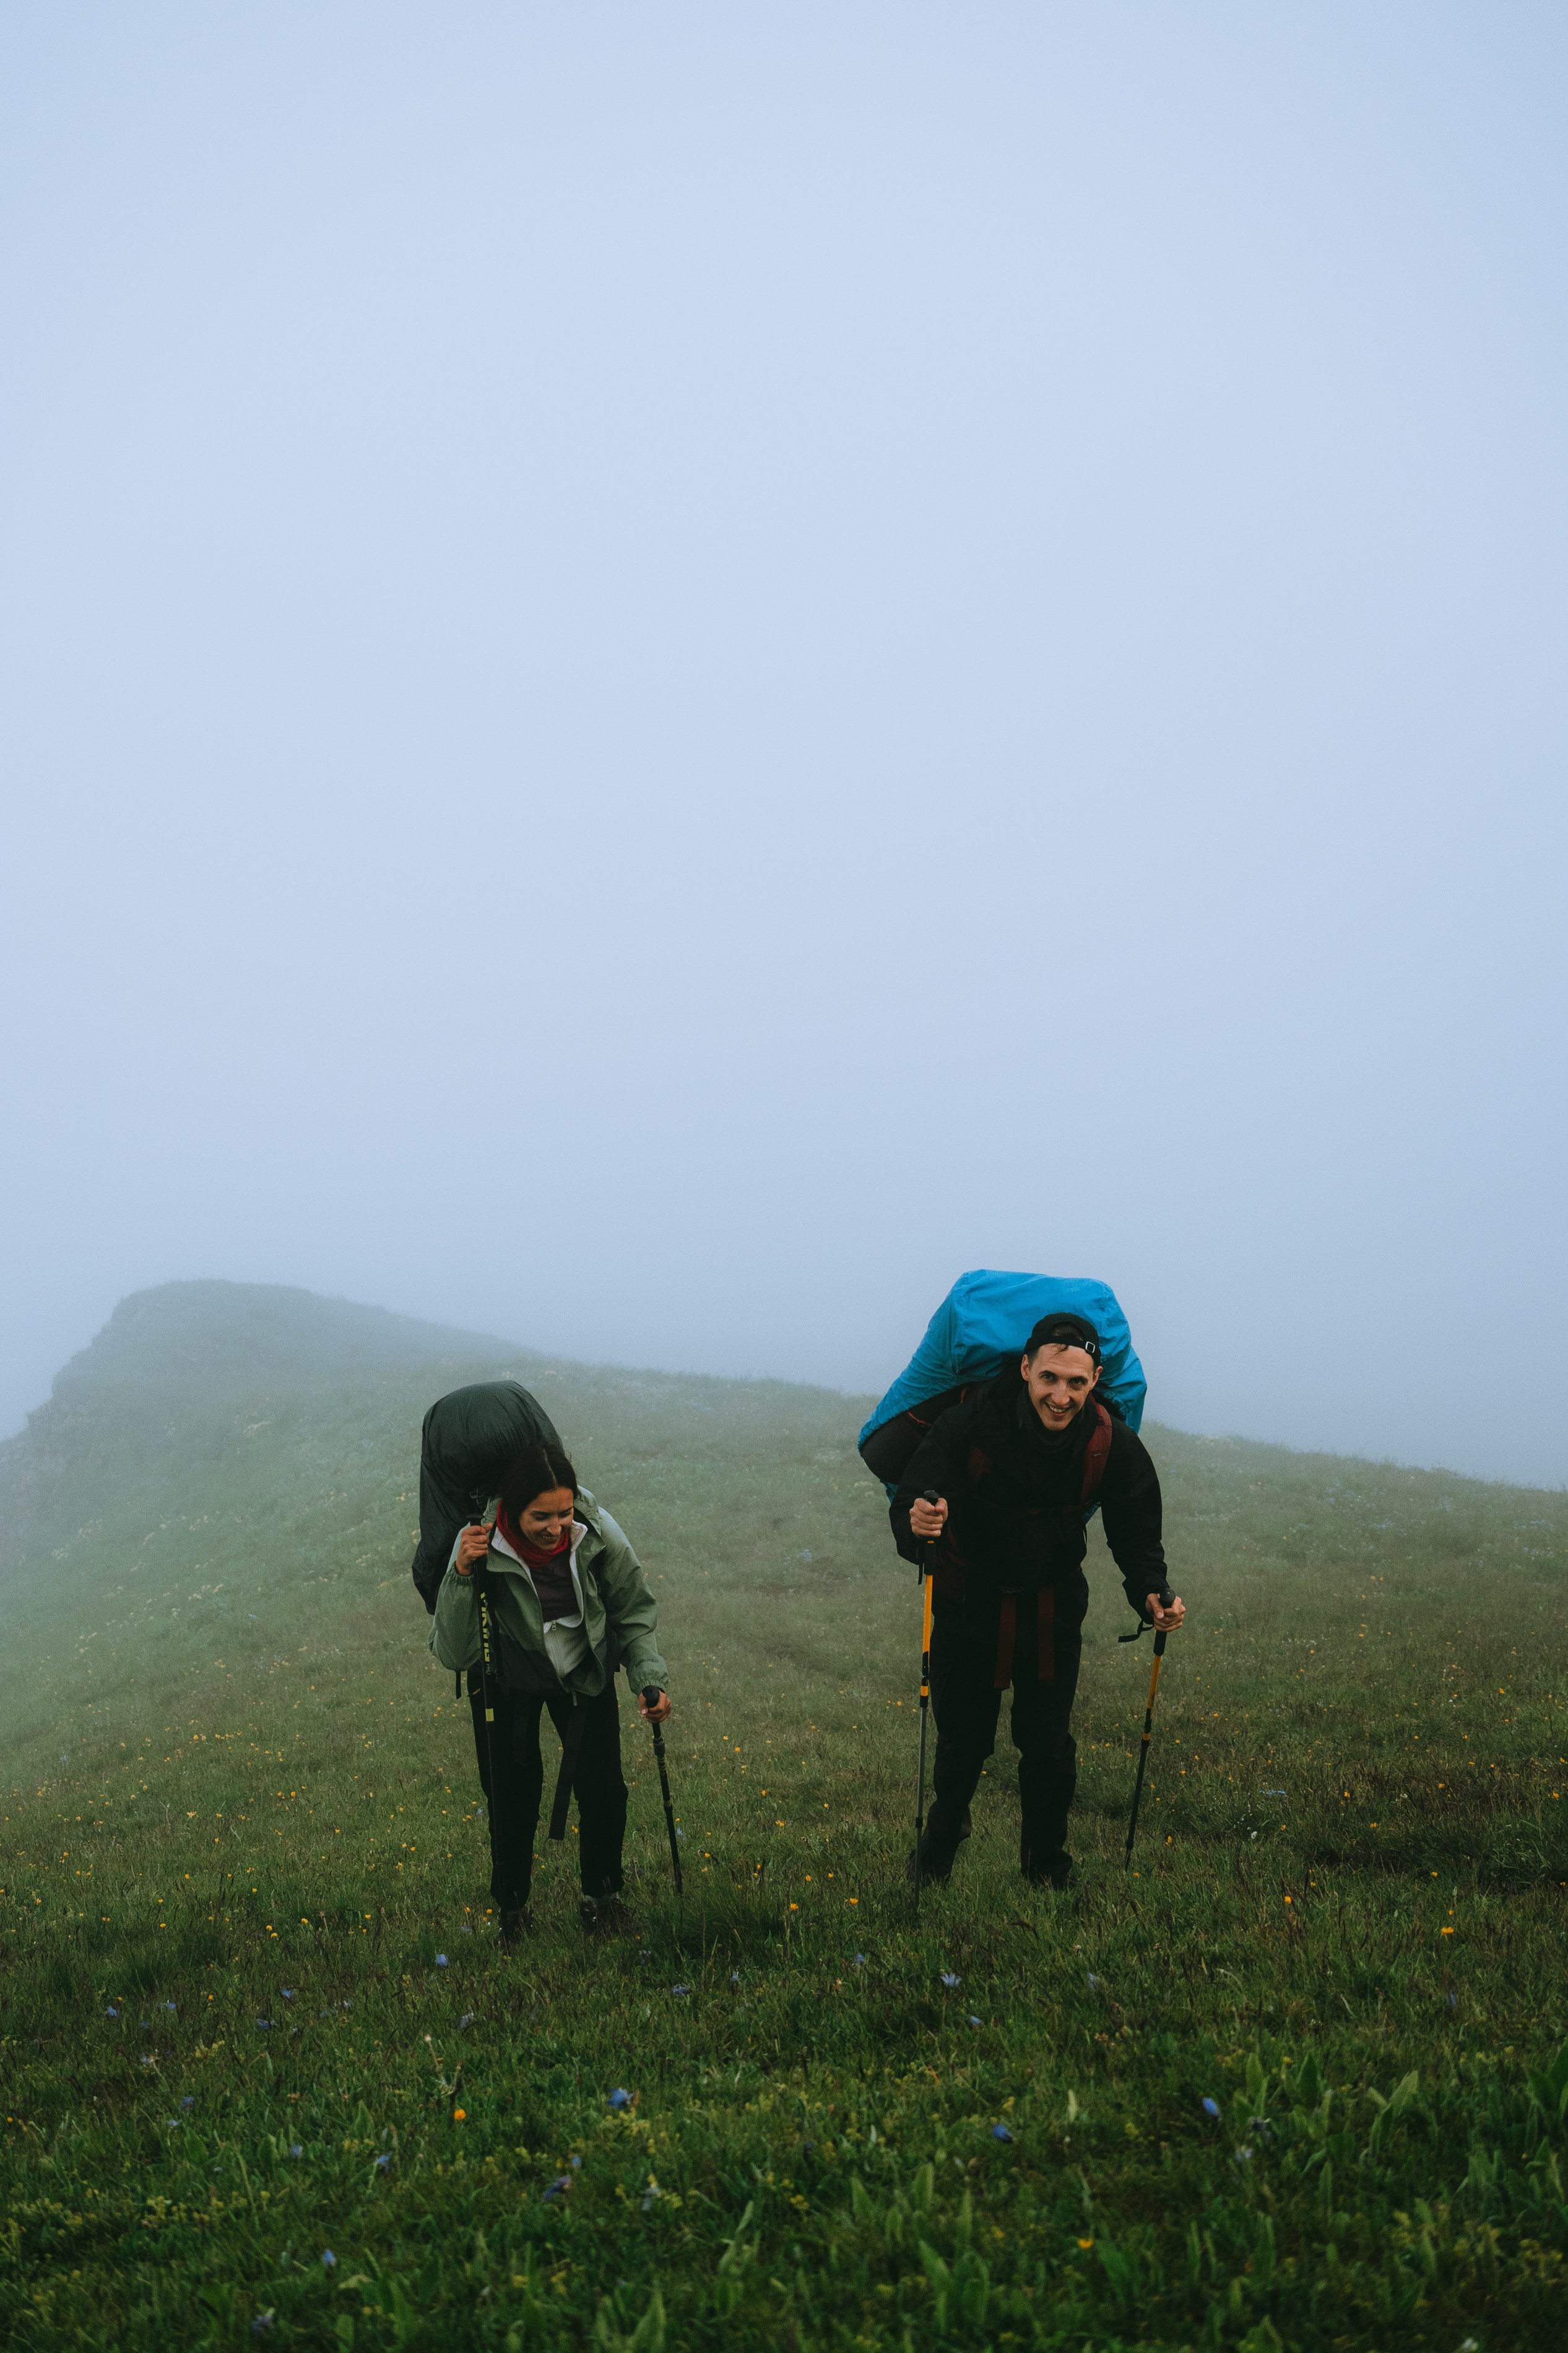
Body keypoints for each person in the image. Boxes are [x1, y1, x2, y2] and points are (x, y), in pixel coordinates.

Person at [890, 1311, 1184, 1891]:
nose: (1061, 1396)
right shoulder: (966, 1426)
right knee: (961, 1741)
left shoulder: (1109, 1442)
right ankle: (939, 1850)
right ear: (1025, 1369)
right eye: (1050, 1378)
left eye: (1076, 1383)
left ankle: (1047, 1868)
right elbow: (912, 1505)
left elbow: (1135, 1534)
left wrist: (1152, 1594)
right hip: (965, 1603)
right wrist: (919, 1522)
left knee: (1048, 1748)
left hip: (1051, 1612)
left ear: (1095, 1378)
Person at [429, 1438, 670, 1940]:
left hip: (584, 1671)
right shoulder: (477, 1543)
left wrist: (649, 1679)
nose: (556, 1527)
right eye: (541, 1516)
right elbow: (455, 1654)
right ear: (513, 1510)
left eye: (563, 1513)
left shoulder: (597, 1532)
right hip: (503, 1678)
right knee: (510, 1796)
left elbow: (632, 1610)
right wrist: (460, 1574)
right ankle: (513, 1912)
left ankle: (603, 1899)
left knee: (604, 1790)